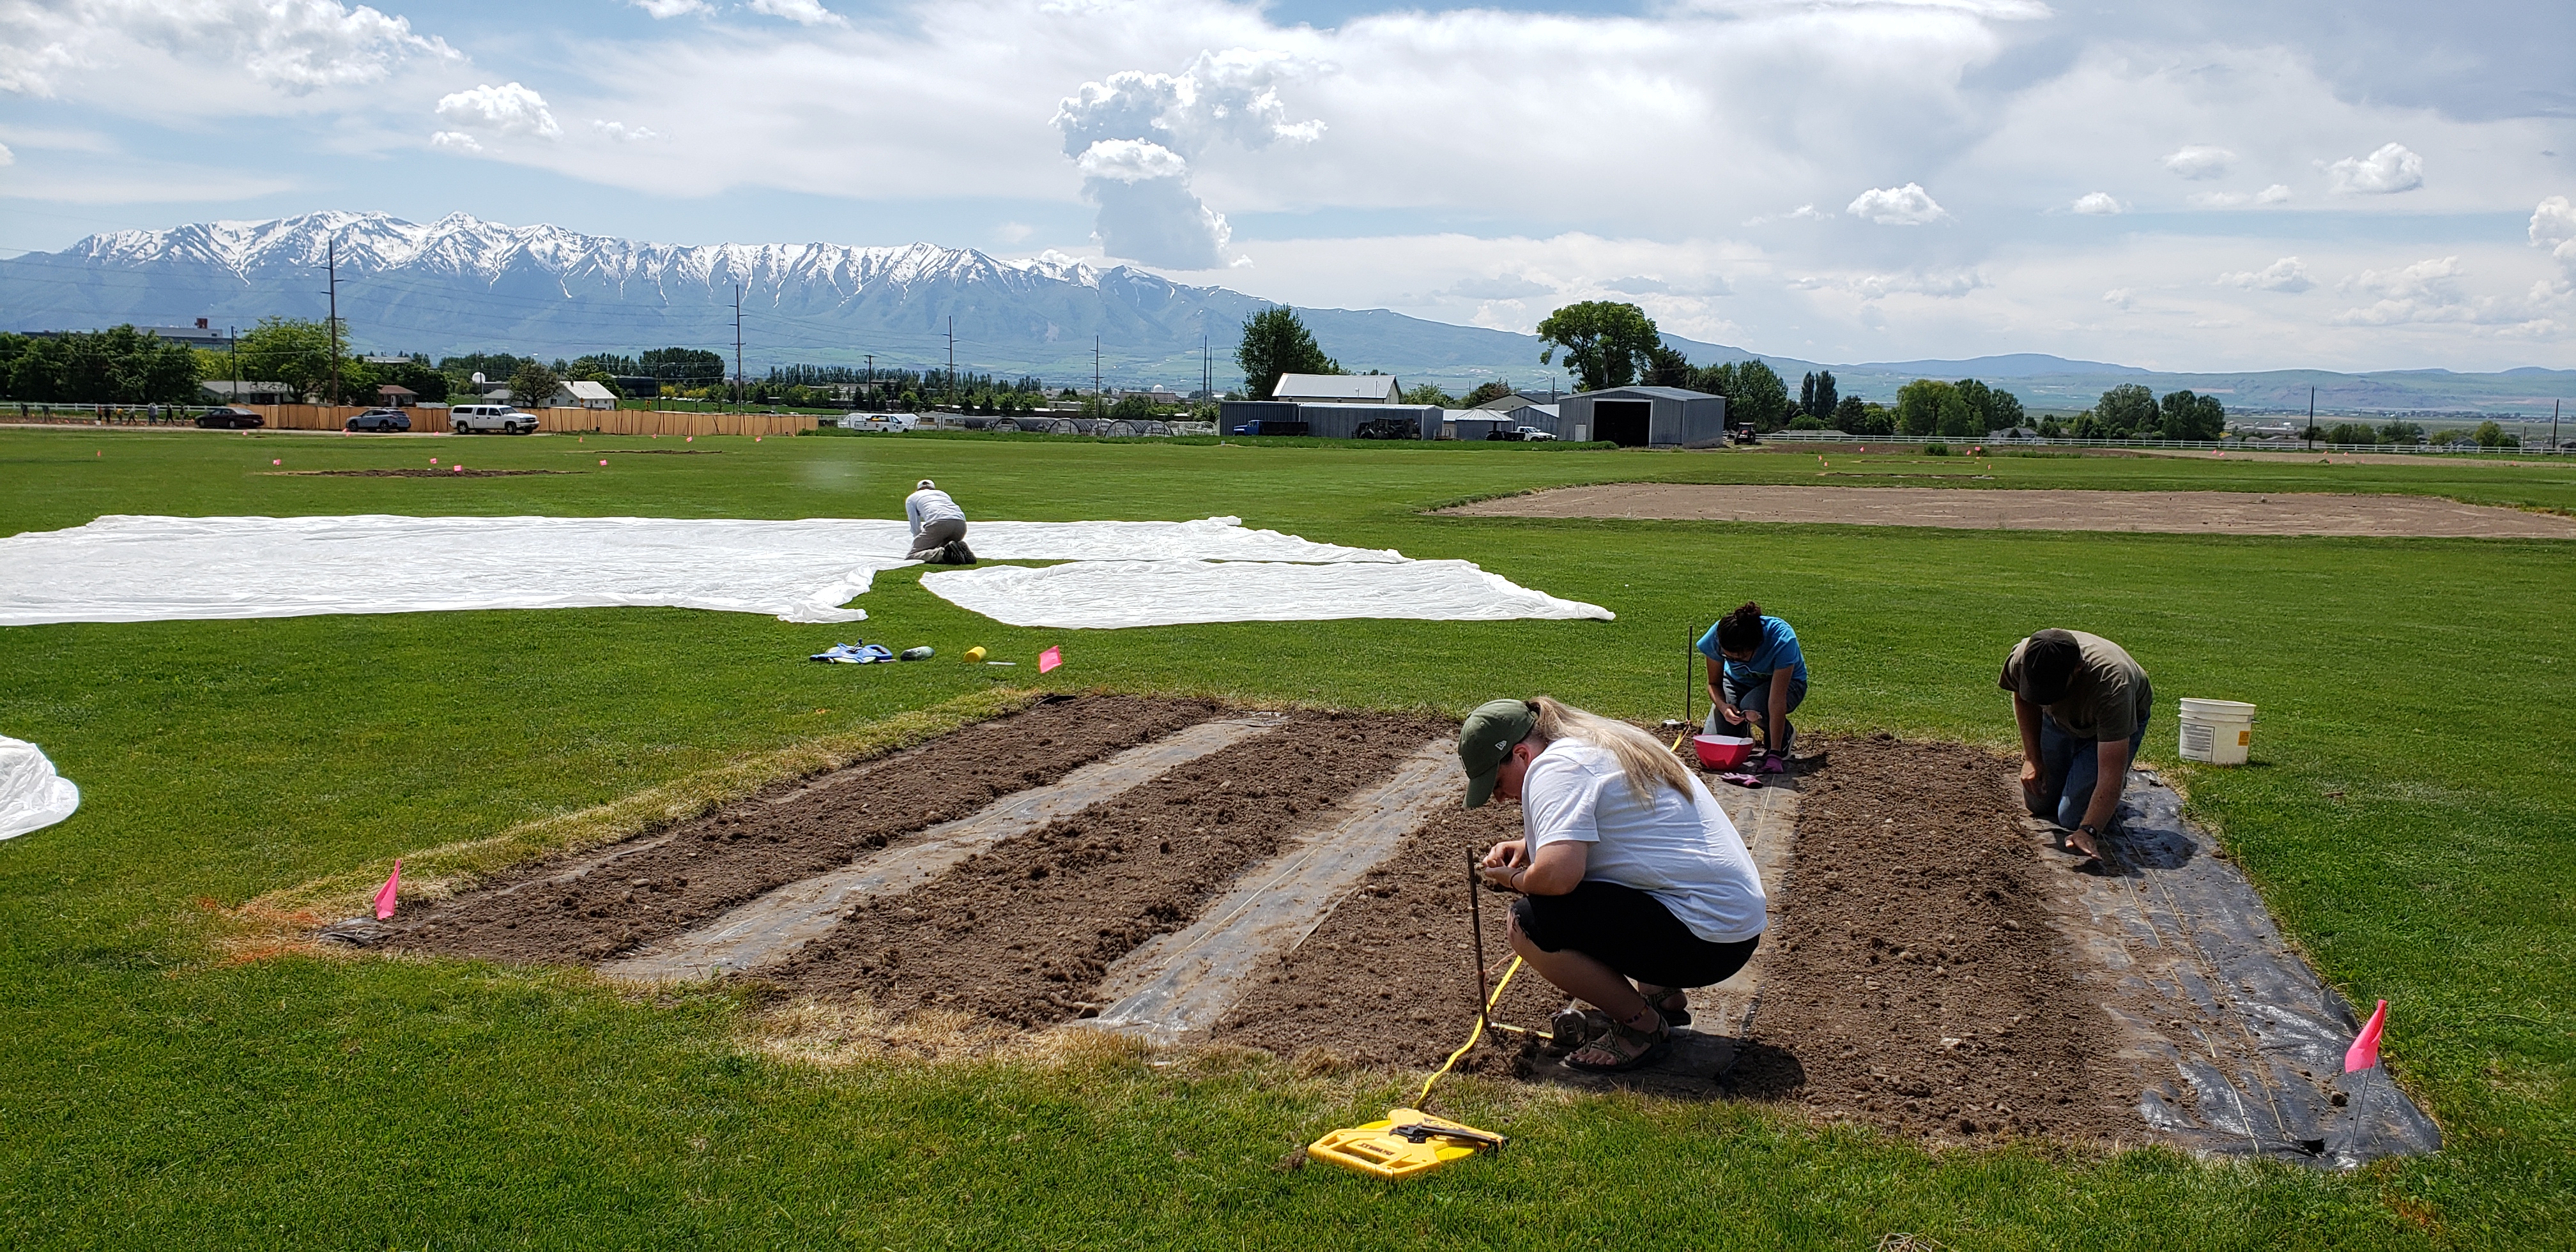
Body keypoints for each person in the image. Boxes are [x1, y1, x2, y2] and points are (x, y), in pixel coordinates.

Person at [1457, 696, 1768, 1072]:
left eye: (1497, 782)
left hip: (1706, 941)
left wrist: (1515, 879)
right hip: (1729, 926)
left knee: (1527, 923)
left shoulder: (1556, 768)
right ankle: (1661, 996)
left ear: (1522, 754)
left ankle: (1642, 1029)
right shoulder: (1593, 741)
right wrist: (1528, 846)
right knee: (1609, 890)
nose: (1499, 796)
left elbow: (1558, 878)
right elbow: (1617, 824)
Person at [2000, 628, 2152, 862]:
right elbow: (2023, 698)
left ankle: (2086, 767)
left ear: (2078, 669)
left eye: (2051, 691)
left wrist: (2089, 830)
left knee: (2072, 819)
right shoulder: (2023, 657)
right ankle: (2078, 771)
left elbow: (2110, 775)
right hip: (2058, 719)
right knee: (2038, 802)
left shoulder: (2113, 685)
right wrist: (2032, 758)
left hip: (2109, 724)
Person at [1696, 601, 1807, 773]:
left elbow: (1777, 700)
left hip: (1788, 685)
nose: (1735, 661)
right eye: (1729, 657)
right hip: (1736, 682)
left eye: (1742, 657)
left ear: (1757, 646)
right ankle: (1744, 735)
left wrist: (1774, 754)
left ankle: (1784, 735)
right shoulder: (1718, 636)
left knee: (1752, 706)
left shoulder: (1782, 639)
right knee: (1719, 742)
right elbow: (1714, 684)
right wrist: (1724, 707)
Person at [903, 478, 974, 563]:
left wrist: (919, 539)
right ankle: (959, 551)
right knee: (943, 547)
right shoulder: (943, 494)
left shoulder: (912, 498)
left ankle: (944, 554)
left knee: (913, 555)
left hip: (940, 523)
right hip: (961, 525)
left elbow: (915, 525)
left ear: (918, 489)